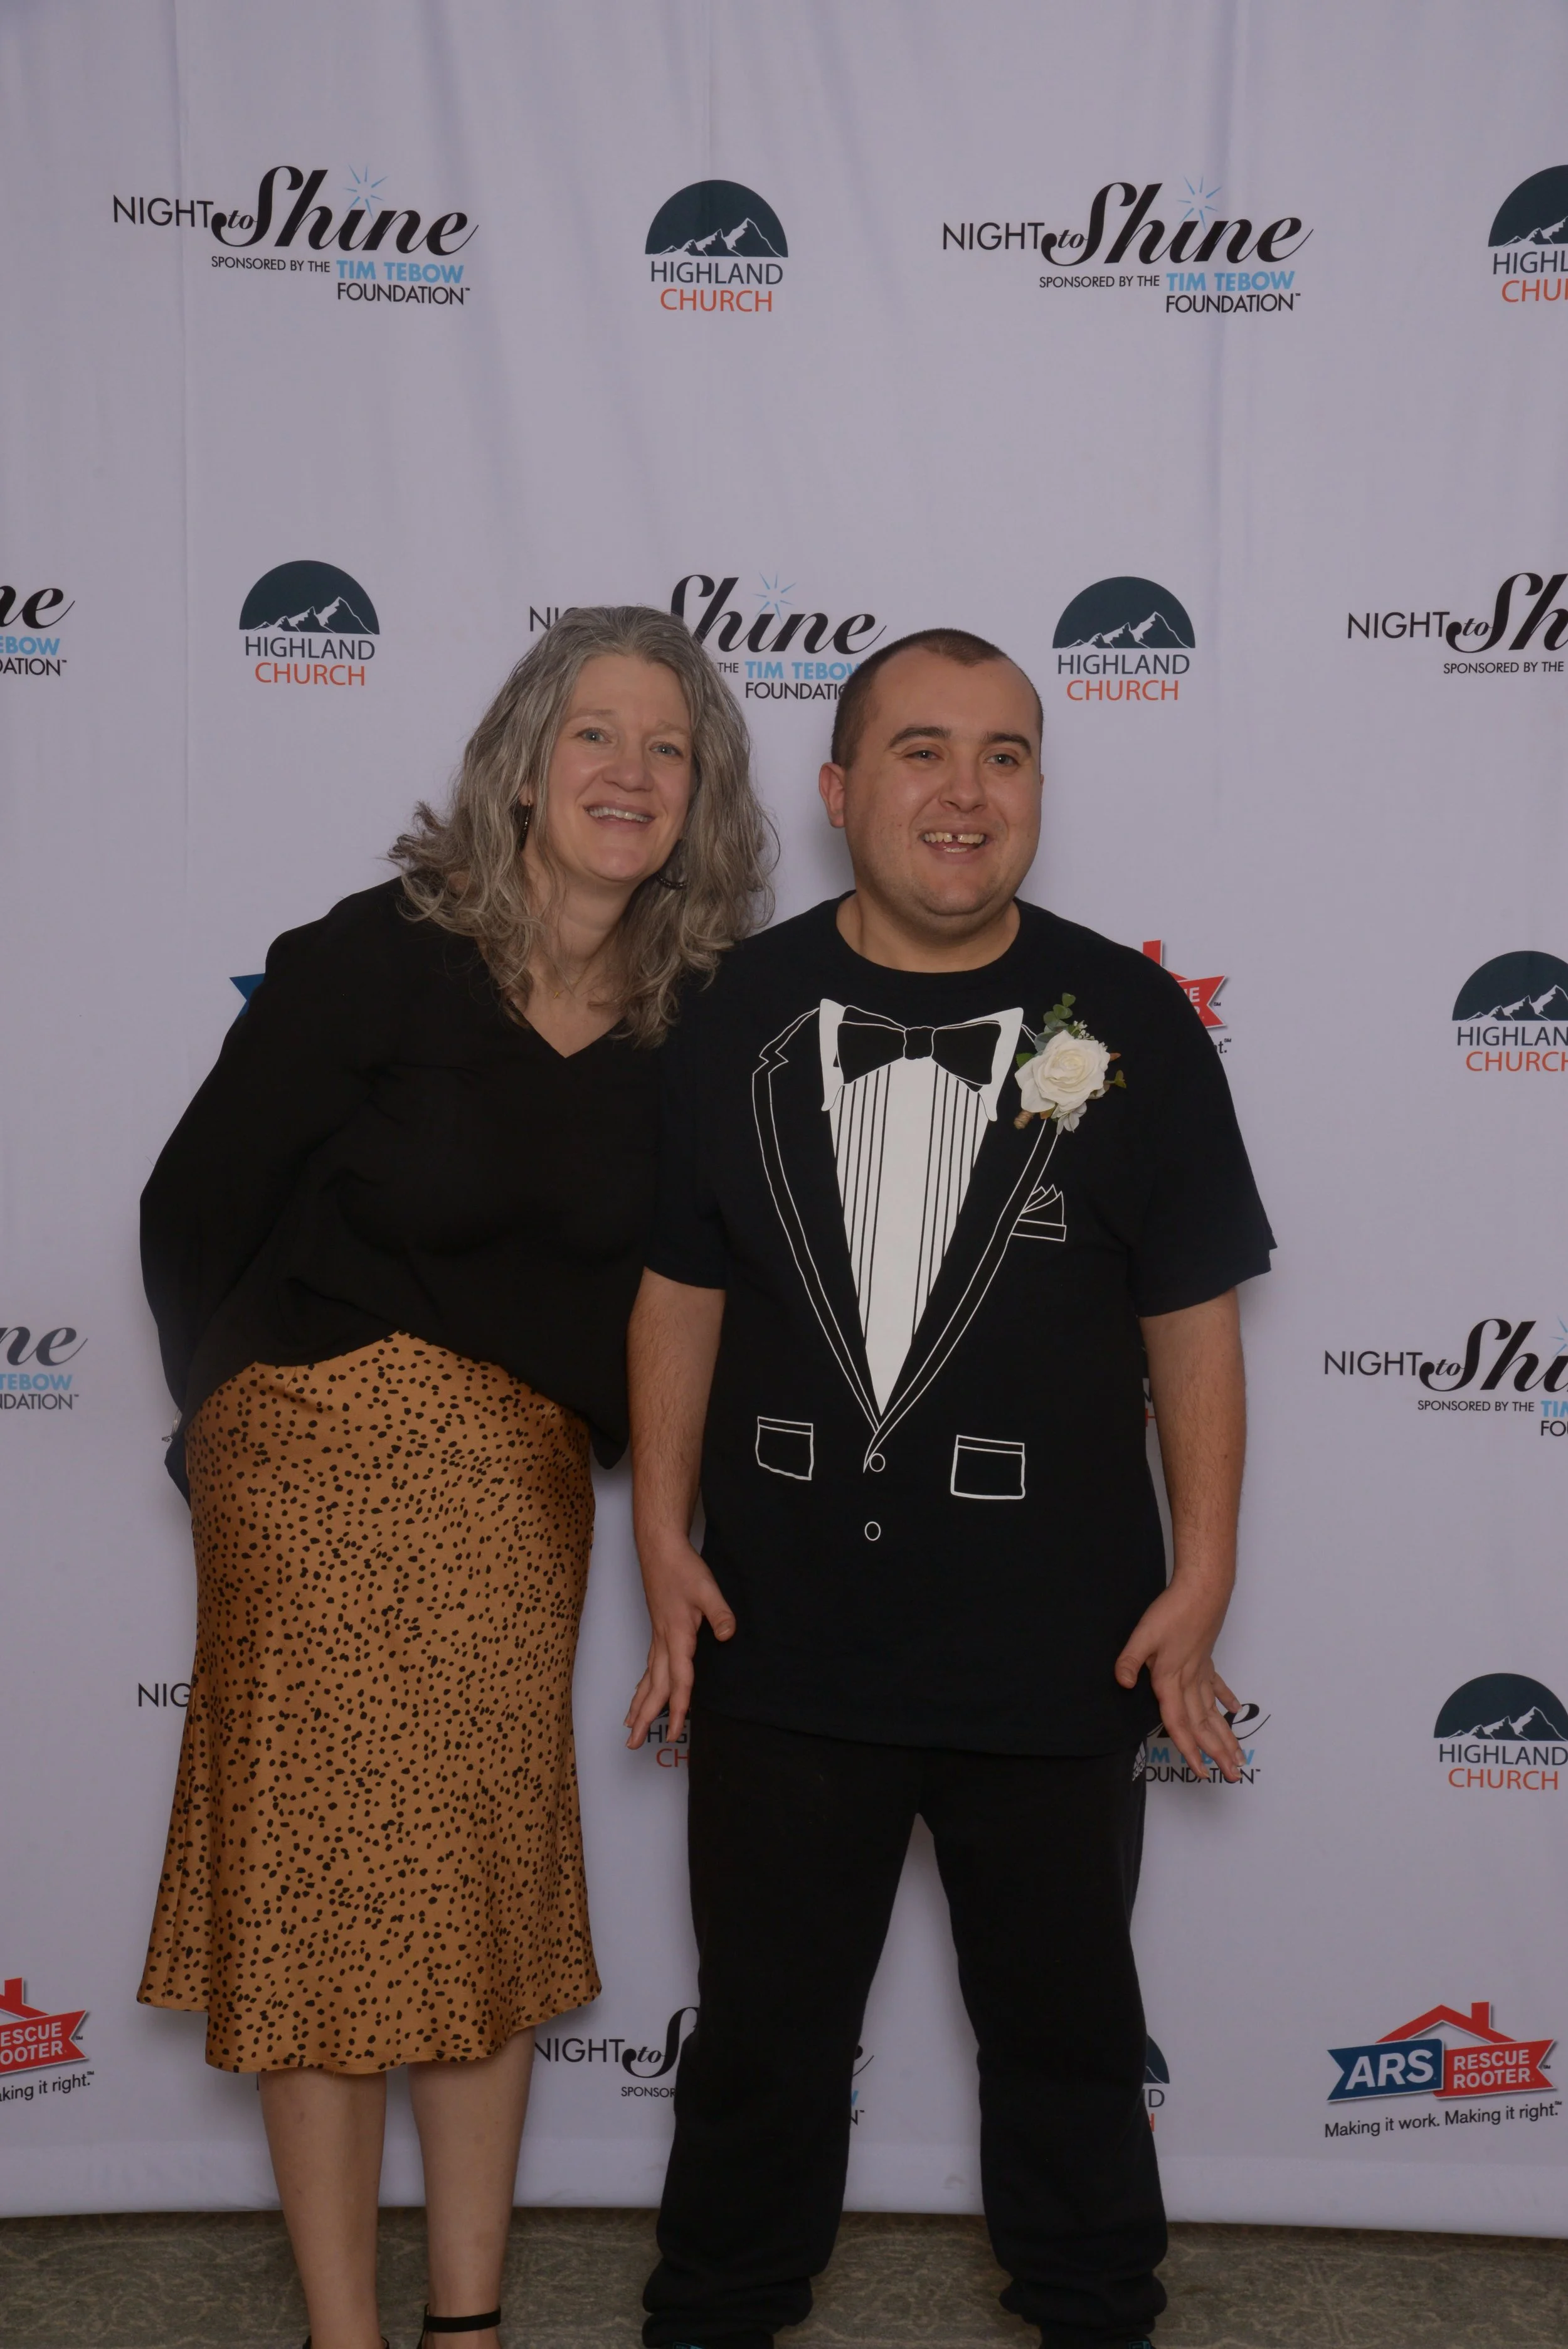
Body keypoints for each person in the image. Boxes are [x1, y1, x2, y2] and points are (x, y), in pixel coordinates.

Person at [624, 627, 1274, 2349]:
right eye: (922, 750)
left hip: (1057, 1641)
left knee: (1068, 2038)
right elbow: (679, 1287)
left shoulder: (1130, 1020)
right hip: (780, 1635)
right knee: (760, 2041)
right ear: (839, 791)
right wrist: (660, 1533)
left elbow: (1191, 1312)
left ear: (1038, 789)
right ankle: (717, 2314)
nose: (965, 793)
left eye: (1004, 754)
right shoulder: (731, 1011)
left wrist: (1202, 1570)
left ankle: (1092, 2313)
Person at [138, 606, 771, 2349]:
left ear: (702, 794)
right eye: (595, 734)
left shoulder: (698, 1021)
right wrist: (243, 1421)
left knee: (476, 1886)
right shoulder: (380, 955)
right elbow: (193, 1209)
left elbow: (697, 1294)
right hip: (313, 1441)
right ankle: (355, 2329)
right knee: (326, 1889)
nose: (629, 772)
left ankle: (466, 2321)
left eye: (667, 746)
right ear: (522, 767)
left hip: (515, 1482)